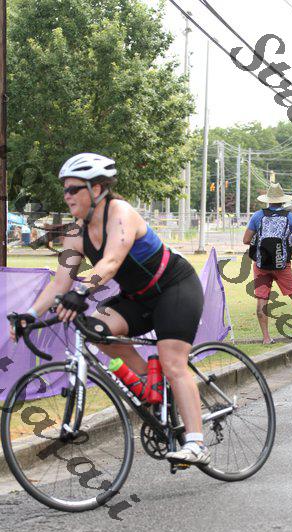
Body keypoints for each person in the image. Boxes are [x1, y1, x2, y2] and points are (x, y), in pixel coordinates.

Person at [9, 153, 209, 466]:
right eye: (64, 189)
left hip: (175, 288)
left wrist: (82, 291)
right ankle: (148, 385)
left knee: (172, 361)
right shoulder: (75, 233)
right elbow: (60, 282)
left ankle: (196, 443)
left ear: (97, 189)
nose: (67, 195)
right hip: (137, 297)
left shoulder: (120, 213)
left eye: (74, 189)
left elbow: (112, 261)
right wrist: (30, 315)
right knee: (95, 329)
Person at [243, 182, 292, 345]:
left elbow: (246, 240)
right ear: (282, 200)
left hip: (261, 265)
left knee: (262, 298)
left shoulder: (257, 216)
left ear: (268, 200)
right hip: (282, 265)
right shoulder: (289, 217)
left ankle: (266, 338)